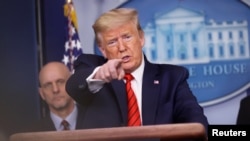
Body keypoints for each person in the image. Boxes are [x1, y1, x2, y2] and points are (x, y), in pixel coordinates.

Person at [66, 7, 209, 134]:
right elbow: (73, 87)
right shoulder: (90, 66)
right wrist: (100, 75)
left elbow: (197, 123)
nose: (122, 48)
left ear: (141, 38)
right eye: (112, 42)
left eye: (127, 37)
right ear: (102, 49)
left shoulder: (172, 78)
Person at [22, 62, 85, 132]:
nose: (55, 90)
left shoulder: (97, 124)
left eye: (60, 82)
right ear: (42, 93)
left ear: (72, 84)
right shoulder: (31, 135)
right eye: (48, 85)